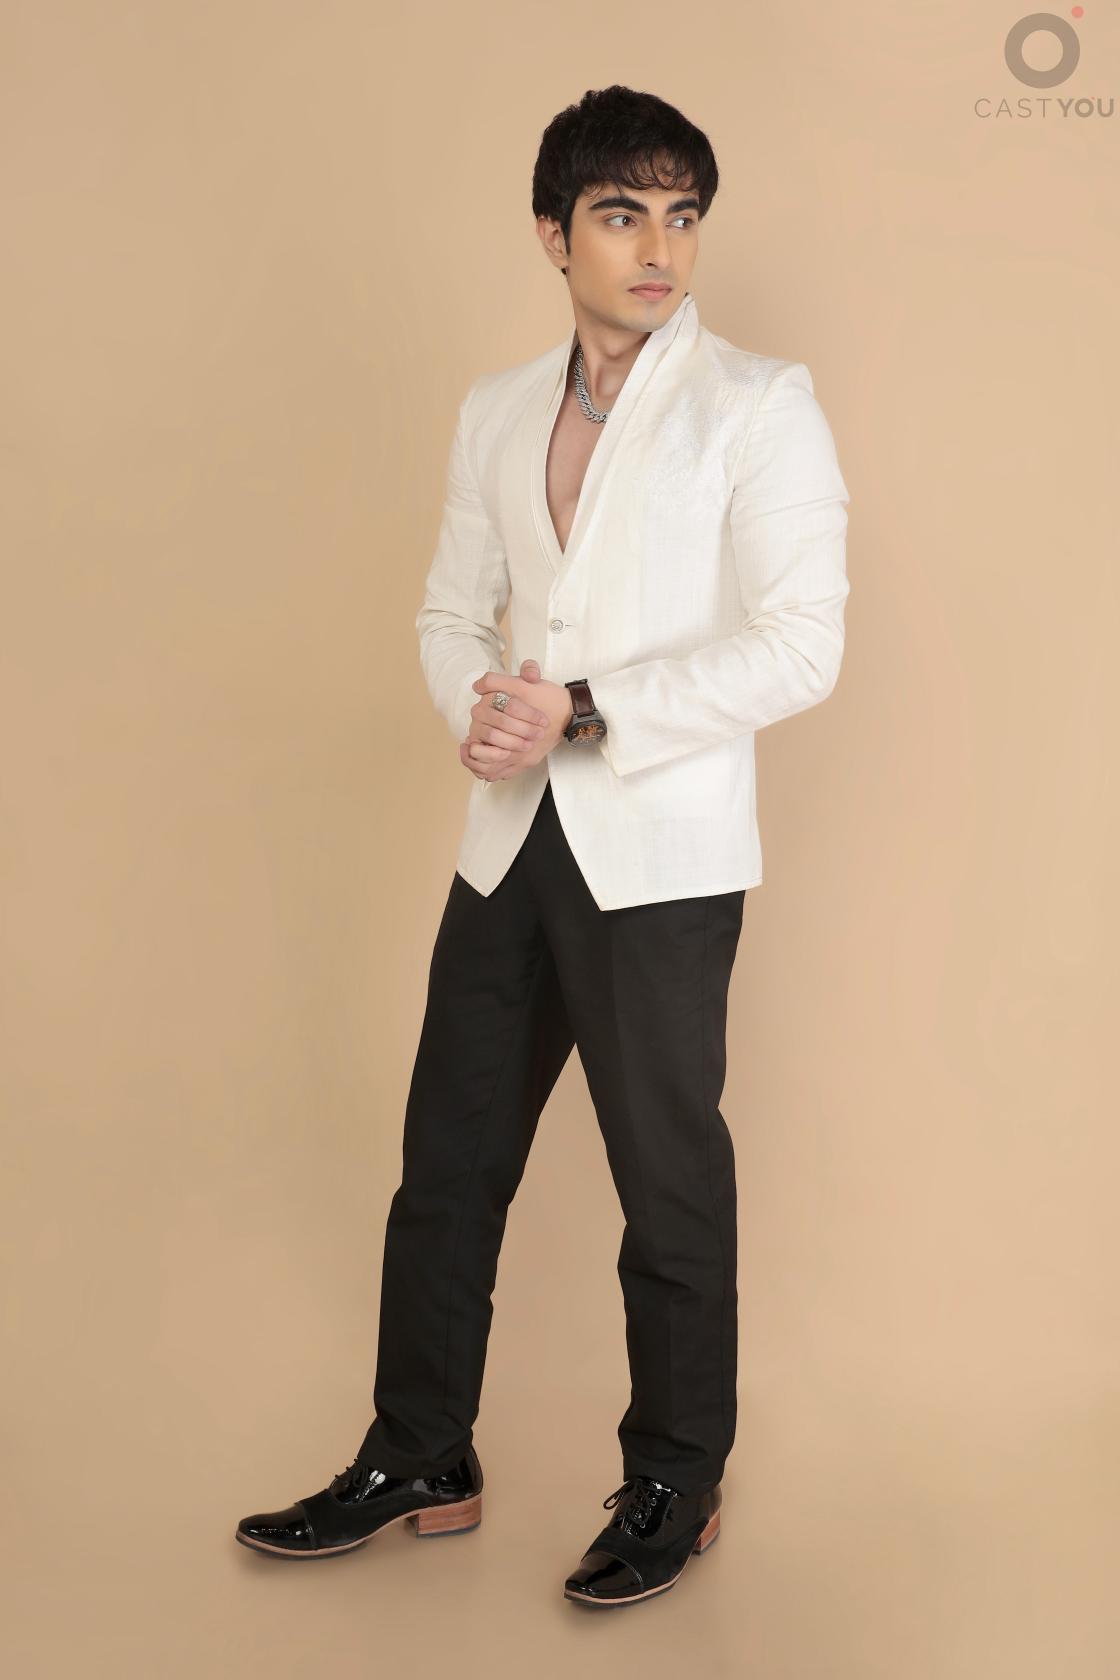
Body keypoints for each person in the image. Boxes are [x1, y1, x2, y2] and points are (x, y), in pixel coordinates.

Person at [236, 83, 850, 1608]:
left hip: (663, 859)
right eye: (623, 215)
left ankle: (676, 1480)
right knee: (446, 1168)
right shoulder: (499, 409)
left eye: (682, 217)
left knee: (669, 1184)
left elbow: (803, 645)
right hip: (509, 844)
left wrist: (581, 708)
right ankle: (420, 1452)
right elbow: (453, 613)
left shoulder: (758, 403)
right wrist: (485, 712)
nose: (660, 251)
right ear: (551, 233)